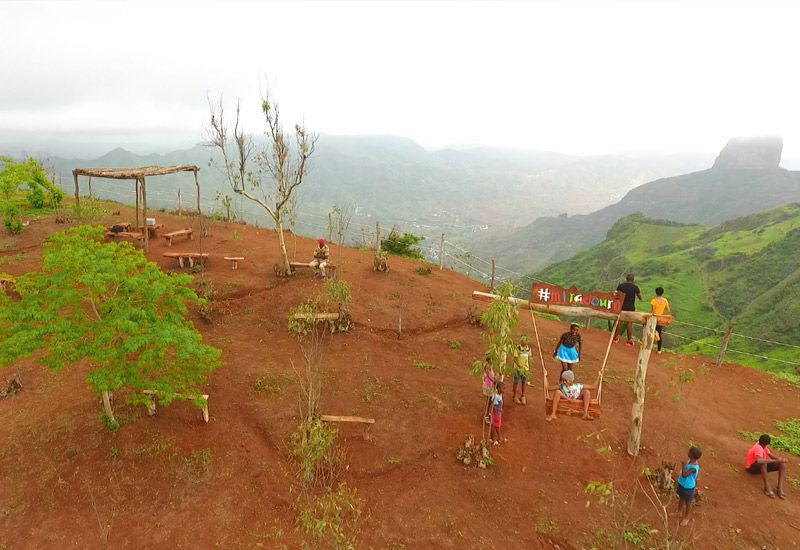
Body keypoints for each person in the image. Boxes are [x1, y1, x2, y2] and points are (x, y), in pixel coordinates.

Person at [745, 434, 789, 499]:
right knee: (764, 463)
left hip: (758, 467)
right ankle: (767, 487)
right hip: (751, 468)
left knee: (782, 464)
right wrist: (774, 461)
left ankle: (779, 487)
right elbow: (759, 461)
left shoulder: (762, 446)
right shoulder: (758, 448)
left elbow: (771, 456)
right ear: (766, 443)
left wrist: (780, 460)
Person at [614, 274, 643, 346]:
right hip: (630, 308)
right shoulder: (635, 287)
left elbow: (615, 295)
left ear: (626, 279)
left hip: (621, 307)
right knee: (629, 324)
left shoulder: (620, 286)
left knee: (619, 322)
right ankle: (629, 341)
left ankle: (616, 338)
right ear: (633, 280)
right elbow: (640, 298)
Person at [676, 446, 702, 526]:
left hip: (688, 487)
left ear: (691, 455)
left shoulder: (694, 467)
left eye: (689, 452)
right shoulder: (690, 461)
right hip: (683, 484)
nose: (687, 452)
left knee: (688, 503)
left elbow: (684, 475)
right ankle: (679, 512)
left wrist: (683, 465)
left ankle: (687, 517)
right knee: (681, 498)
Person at [650, 287, 672, 354]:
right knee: (659, 333)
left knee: (651, 333)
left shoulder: (653, 301)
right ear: (662, 293)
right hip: (660, 319)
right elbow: (668, 310)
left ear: (656, 292)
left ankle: (649, 347)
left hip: (654, 319)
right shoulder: (665, 300)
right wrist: (662, 312)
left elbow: (653, 312)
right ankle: (659, 350)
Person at [513, 336, 531, 405]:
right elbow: (514, 358)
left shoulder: (528, 348)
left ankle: (523, 395)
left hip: (525, 369)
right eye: (523, 344)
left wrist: (526, 366)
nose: (524, 345)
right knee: (516, 382)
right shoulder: (517, 348)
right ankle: (514, 396)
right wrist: (519, 365)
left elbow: (529, 357)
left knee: (524, 382)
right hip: (517, 369)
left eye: (525, 344)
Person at [481, 355, 496, 424]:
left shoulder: (489, 365)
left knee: (490, 401)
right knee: (488, 401)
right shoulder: (487, 366)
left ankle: (488, 414)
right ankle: (486, 416)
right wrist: (494, 381)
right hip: (488, 385)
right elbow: (489, 376)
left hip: (490, 385)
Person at [490, 381, 505, 445]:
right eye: (503, 388)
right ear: (498, 388)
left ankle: (497, 438)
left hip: (498, 413)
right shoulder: (496, 396)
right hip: (496, 414)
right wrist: (497, 416)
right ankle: (495, 438)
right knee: (495, 426)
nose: (504, 390)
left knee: (495, 426)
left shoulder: (499, 394)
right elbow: (494, 407)